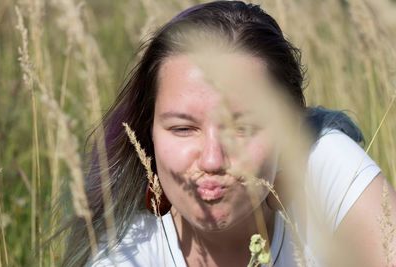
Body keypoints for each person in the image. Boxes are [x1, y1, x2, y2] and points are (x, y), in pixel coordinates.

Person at [62, 1, 396, 266]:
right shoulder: (126, 258)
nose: (212, 159)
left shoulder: (324, 166)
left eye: (243, 128)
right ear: (148, 135)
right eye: (183, 128)